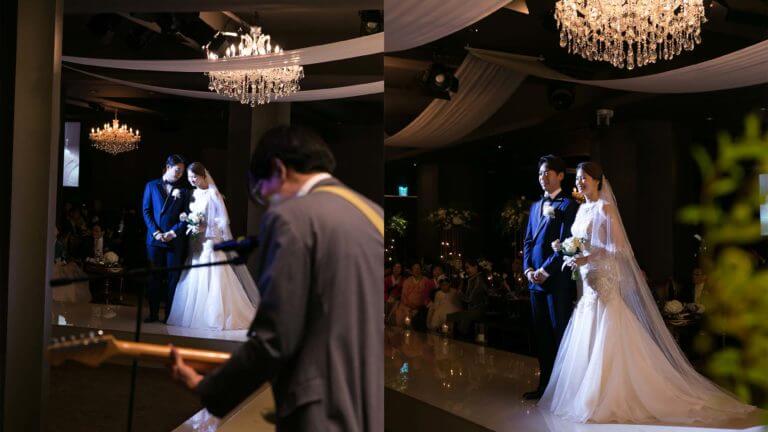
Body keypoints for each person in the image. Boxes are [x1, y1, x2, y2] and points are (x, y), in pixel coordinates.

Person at [170, 125, 383, 431]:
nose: (269, 205)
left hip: (318, 410)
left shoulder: (293, 216)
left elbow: (275, 336)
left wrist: (211, 389)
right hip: (370, 403)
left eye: (264, 194)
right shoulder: (371, 213)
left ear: (279, 169)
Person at [539, 162, 756, 423]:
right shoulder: (583, 208)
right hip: (587, 281)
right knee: (589, 330)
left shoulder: (605, 208)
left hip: (604, 279)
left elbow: (618, 248)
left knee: (608, 330)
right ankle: (587, 394)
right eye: (578, 178)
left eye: (585, 177)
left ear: (598, 180)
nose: (580, 182)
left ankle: (608, 396)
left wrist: (587, 257)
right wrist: (567, 249)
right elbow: (580, 242)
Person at [166, 162, 258, 330]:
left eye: (194, 177)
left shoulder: (213, 193)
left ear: (203, 176)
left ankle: (215, 315)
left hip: (210, 239)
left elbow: (223, 219)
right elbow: (192, 214)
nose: (192, 180)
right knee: (194, 271)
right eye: (189, 177)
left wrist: (206, 226)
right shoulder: (193, 193)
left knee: (212, 272)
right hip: (196, 240)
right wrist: (190, 221)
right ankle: (196, 314)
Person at [522, 154, 578, 400]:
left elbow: (567, 243)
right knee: (541, 335)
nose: (542, 177)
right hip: (535, 282)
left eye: (547, 173)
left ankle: (562, 390)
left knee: (559, 334)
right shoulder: (535, 206)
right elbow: (527, 241)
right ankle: (544, 386)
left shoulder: (568, 204)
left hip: (556, 281)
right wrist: (528, 270)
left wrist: (545, 270)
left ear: (560, 176)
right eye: (540, 174)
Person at [141, 155, 190, 323]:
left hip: (174, 240)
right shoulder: (151, 185)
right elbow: (146, 211)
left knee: (172, 278)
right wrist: (156, 232)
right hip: (154, 240)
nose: (180, 174)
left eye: (182, 171)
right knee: (153, 277)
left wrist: (173, 232)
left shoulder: (184, 190)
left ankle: (169, 315)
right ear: (168, 167)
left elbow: (187, 215)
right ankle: (153, 313)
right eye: (177, 170)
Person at [393, 263, 432, 327]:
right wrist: (409, 306)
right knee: (401, 317)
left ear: (421, 270)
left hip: (419, 307)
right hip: (406, 305)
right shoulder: (407, 281)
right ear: (412, 271)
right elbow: (404, 295)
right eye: (414, 268)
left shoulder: (426, 281)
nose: (416, 270)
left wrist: (419, 307)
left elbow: (427, 295)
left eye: (418, 268)